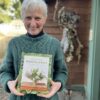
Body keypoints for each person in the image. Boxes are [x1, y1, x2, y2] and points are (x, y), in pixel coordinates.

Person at [0, 0, 68, 100]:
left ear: (44, 19)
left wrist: (58, 84)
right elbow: (5, 71)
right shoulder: (14, 44)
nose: (32, 23)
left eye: (37, 18)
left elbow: (62, 71)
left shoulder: (54, 44)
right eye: (28, 18)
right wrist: (9, 82)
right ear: (23, 18)